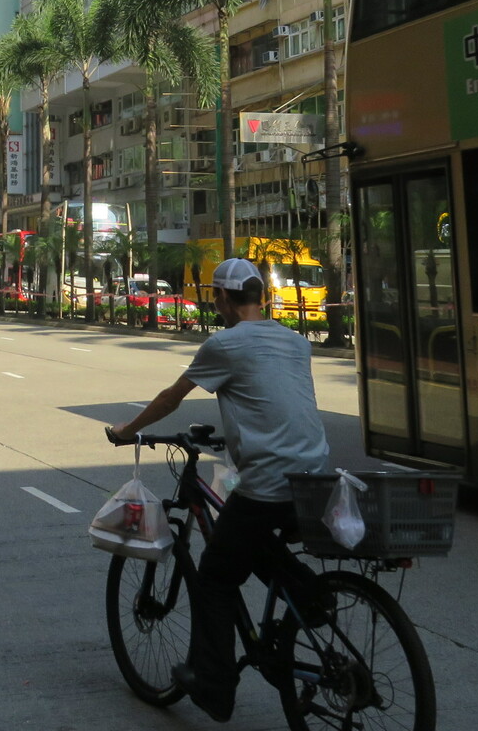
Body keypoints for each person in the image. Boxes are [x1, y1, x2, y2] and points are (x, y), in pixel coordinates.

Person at [107, 258, 331, 723]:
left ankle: (214, 684)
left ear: (222, 299)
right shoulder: (295, 342)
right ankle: (310, 594)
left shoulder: (224, 343)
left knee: (215, 575)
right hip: (314, 477)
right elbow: (272, 403)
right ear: (261, 297)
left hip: (268, 482)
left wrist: (129, 430)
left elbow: (173, 397)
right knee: (251, 545)